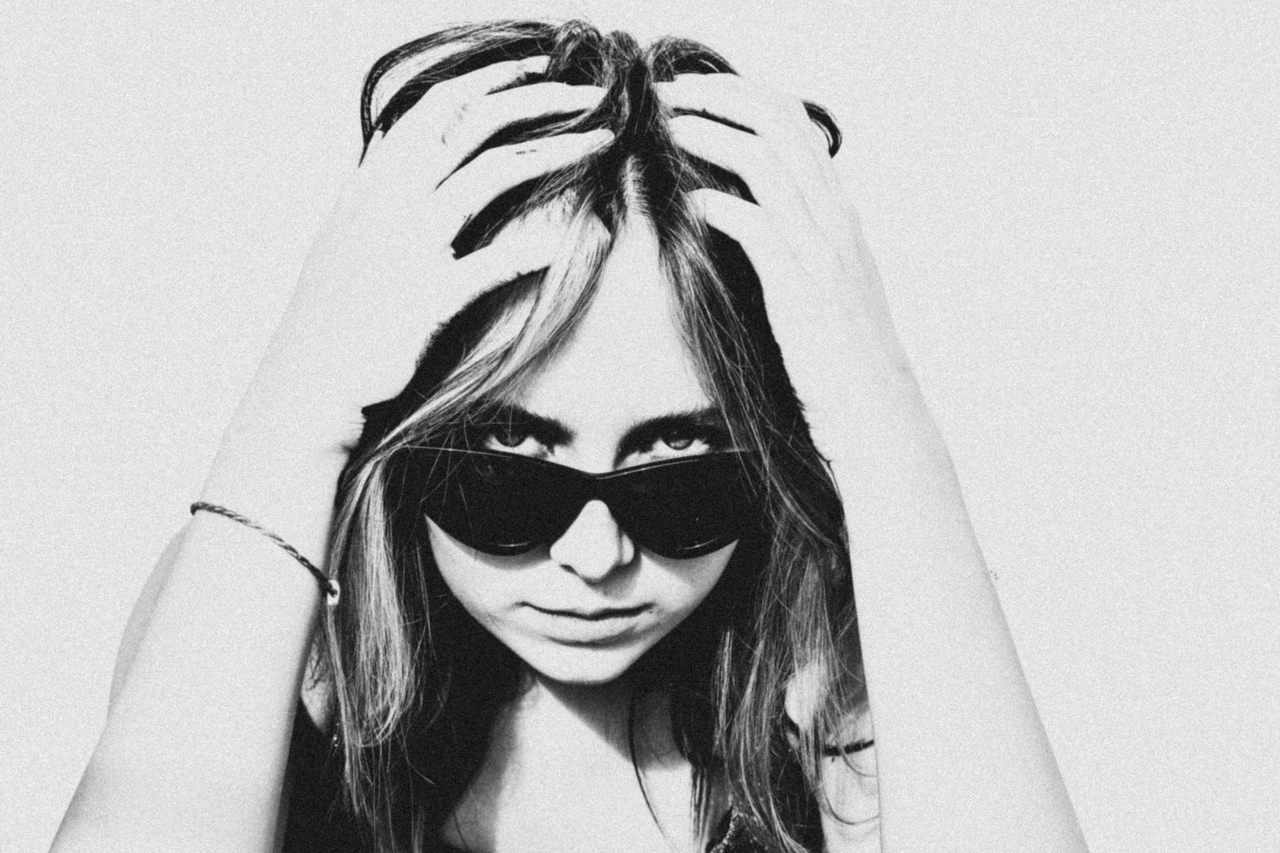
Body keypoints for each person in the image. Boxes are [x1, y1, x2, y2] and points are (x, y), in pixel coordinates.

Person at [50, 19, 1088, 853]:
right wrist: (296, 397)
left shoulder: (827, 659)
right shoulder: (283, 632)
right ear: (401, 433)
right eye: (509, 468)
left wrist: (886, 423)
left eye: (681, 470)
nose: (596, 558)